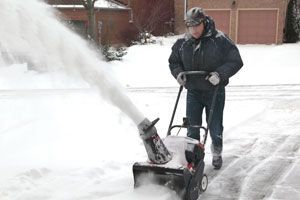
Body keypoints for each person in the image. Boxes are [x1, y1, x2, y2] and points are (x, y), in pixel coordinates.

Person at [168, 7, 243, 169]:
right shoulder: (182, 43)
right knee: (192, 128)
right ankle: (193, 158)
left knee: (215, 126)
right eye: (190, 26)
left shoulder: (220, 39)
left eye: (197, 25)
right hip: (193, 91)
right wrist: (179, 73)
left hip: (214, 91)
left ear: (204, 22)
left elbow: (235, 61)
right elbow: (174, 62)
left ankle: (216, 152)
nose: (194, 29)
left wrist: (220, 74)